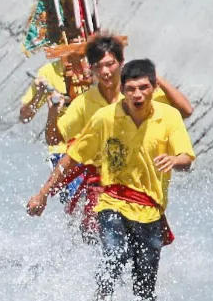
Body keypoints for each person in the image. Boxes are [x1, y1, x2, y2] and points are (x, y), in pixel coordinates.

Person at [27, 59, 196, 301]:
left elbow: (187, 158)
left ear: (154, 88)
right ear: (123, 89)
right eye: (130, 89)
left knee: (144, 291)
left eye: (143, 88)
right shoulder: (105, 117)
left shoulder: (169, 116)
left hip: (151, 209)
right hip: (112, 201)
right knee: (115, 253)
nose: (137, 95)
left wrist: (174, 161)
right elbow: (71, 158)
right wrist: (43, 194)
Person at [46, 34, 192, 237]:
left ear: (121, 64)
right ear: (92, 69)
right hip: (103, 181)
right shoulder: (85, 102)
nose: (105, 71)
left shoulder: (139, 92)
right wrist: (53, 112)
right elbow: (55, 140)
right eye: (98, 66)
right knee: (103, 240)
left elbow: (185, 110)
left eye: (110, 64)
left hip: (142, 182)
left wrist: (154, 76)